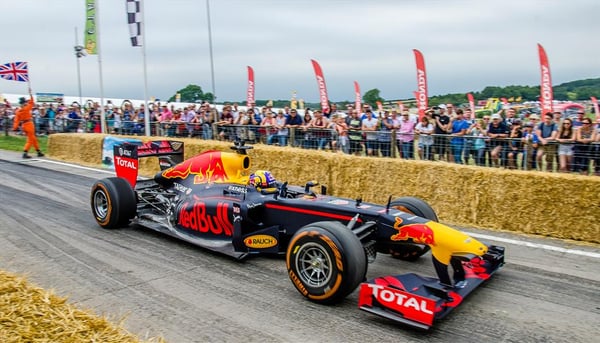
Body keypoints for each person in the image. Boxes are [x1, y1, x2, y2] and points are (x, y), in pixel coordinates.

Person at [13, 91, 44, 158]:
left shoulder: (18, 111)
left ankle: (38, 151)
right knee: (30, 140)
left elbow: (16, 120)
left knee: (33, 139)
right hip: (29, 124)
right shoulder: (26, 108)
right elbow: (32, 102)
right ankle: (25, 152)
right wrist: (30, 94)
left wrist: (15, 128)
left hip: (24, 125)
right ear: (24, 103)